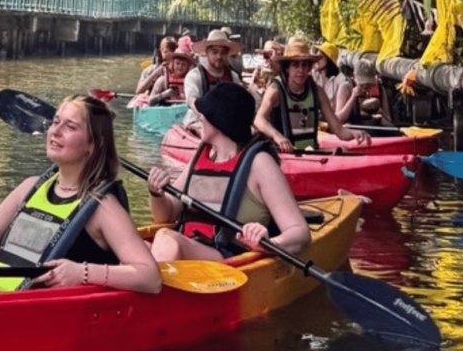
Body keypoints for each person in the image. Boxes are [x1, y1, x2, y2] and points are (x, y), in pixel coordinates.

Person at [0, 95, 161, 294]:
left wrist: (82, 273)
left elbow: (150, 277)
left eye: (70, 127)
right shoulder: (31, 187)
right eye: (56, 122)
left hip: (35, 312)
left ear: (93, 145)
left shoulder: (102, 206)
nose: (55, 131)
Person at [147, 83, 310, 261]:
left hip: (227, 259)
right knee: (139, 247)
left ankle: (154, 275)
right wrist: (157, 194)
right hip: (191, 253)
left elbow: (300, 233)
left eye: (204, 113)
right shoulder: (203, 154)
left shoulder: (260, 163)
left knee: (167, 239)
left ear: (220, 121)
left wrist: (268, 243)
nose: (199, 116)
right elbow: (166, 215)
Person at [255, 36, 371, 152]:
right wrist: (278, 137)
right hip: (284, 156)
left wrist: (355, 134)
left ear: (310, 68)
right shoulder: (276, 90)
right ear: (287, 68)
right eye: (295, 65)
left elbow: (339, 130)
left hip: (311, 154)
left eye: (305, 65)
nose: (301, 70)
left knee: (343, 150)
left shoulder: (317, 91)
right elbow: (259, 119)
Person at [184, 28, 242, 112]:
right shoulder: (195, 76)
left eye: (223, 53)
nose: (219, 56)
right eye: (215, 52)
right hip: (198, 117)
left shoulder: (233, 77)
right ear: (207, 53)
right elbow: (192, 101)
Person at [335, 58, 390, 125]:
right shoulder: (346, 88)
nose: (365, 87)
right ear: (354, 77)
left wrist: (380, 112)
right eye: (362, 84)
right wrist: (353, 97)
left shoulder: (380, 89)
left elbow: (389, 120)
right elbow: (338, 120)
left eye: (369, 84)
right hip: (353, 128)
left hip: (374, 127)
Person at [142, 36, 195, 102]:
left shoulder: (191, 80)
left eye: (184, 65)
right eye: (177, 63)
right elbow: (150, 101)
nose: (180, 67)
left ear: (188, 66)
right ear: (173, 64)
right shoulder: (163, 80)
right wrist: (165, 94)